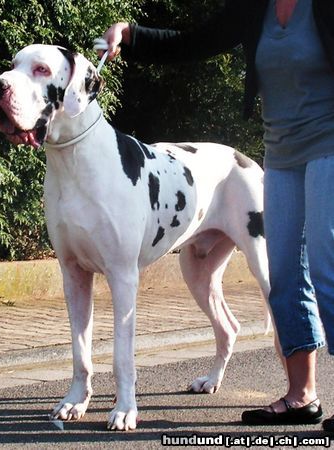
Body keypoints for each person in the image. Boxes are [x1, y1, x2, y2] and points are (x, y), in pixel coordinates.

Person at [100, 0, 334, 431]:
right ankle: (302, 397)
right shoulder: (256, 8)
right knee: (285, 276)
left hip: (329, 147)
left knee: (327, 269)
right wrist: (131, 35)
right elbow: (195, 42)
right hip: (281, 156)